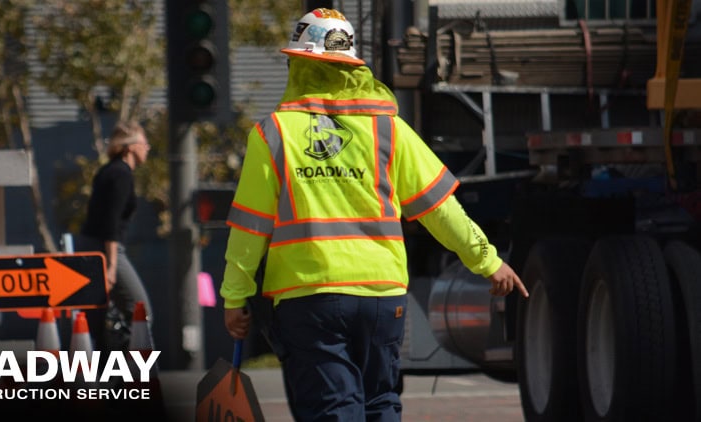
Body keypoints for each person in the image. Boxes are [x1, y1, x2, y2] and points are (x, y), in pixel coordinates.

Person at [220, 8, 529, 422]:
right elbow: (439, 210)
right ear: (353, 69)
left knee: (334, 410)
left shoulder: (273, 133)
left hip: (310, 298)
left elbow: (250, 228)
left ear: (298, 64)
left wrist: (234, 296)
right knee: (381, 404)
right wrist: (488, 262)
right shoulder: (389, 129)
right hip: (382, 298)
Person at [79, 120, 154, 352]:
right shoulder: (121, 174)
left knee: (98, 319)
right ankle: (132, 375)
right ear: (130, 147)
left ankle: (109, 373)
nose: (148, 148)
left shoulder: (108, 170)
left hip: (93, 248)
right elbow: (110, 224)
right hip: (106, 250)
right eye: (144, 142)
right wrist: (111, 266)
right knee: (141, 311)